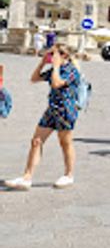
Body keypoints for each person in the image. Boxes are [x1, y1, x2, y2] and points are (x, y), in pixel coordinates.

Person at [4, 44, 81, 190]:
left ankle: (69, 175)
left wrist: (56, 66)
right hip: (52, 110)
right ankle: (27, 177)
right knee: (36, 141)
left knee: (65, 143)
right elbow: (34, 79)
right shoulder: (53, 69)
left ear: (64, 55)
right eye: (51, 54)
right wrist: (42, 63)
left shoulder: (72, 71)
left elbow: (57, 83)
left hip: (66, 111)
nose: (52, 56)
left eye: (54, 54)